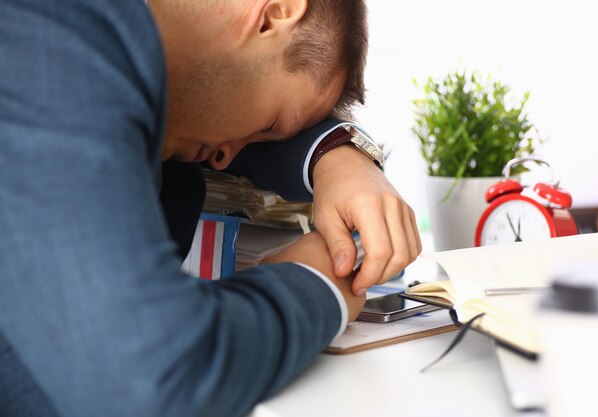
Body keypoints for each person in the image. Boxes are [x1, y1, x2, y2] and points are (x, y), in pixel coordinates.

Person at [0, 1, 421, 416]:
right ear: (274, 13)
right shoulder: (54, 46)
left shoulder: (118, 55)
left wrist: (339, 155)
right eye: (269, 124)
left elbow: (228, 92)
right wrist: (316, 283)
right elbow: (158, 377)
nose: (222, 157)